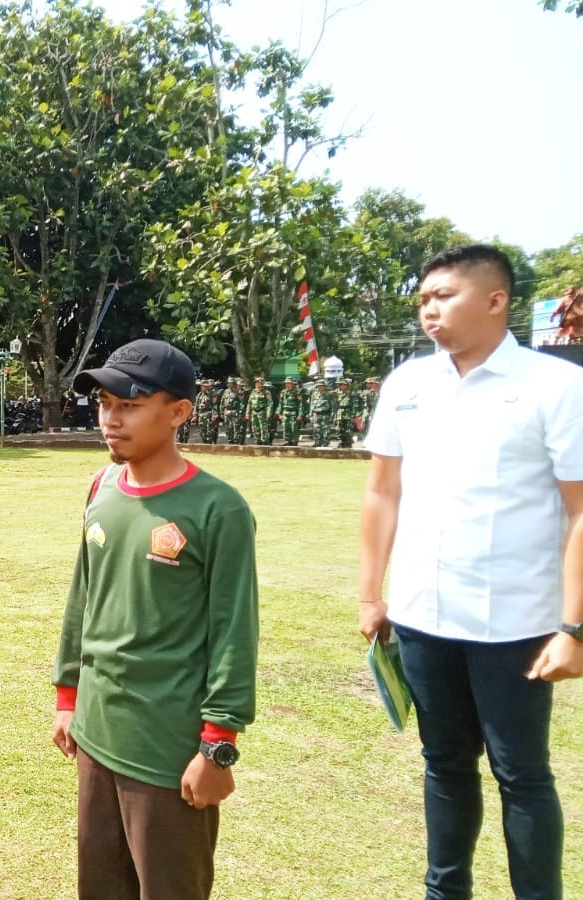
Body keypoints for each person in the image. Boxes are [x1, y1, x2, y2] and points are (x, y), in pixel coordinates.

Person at [359, 244, 583, 900]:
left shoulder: (555, 386)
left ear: (496, 300)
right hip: (424, 614)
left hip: (515, 622)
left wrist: (572, 625)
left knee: (522, 774)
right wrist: (370, 593)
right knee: (445, 765)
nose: (431, 309)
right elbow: (382, 494)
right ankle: (444, 890)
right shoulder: (408, 385)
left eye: (445, 296)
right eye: (424, 299)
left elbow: (579, 511)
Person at [52, 338, 259, 900]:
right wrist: (68, 697)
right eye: (103, 404)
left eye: (130, 404)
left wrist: (218, 746)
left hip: (166, 747)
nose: (111, 419)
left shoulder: (218, 509)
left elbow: (234, 632)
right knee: (100, 885)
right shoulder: (103, 488)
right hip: (97, 730)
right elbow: (83, 598)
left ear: (179, 413)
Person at [246, 376, 273, 445]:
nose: (258, 384)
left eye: (259, 383)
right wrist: (247, 413)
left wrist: (268, 412)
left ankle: (264, 441)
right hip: (254, 412)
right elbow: (249, 403)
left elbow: (269, 403)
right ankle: (257, 441)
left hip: (262, 412)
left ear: (262, 384)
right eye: (256, 383)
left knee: (263, 428)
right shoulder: (253, 392)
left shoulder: (266, 392)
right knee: (255, 427)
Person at [277, 378, 304, 446]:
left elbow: (301, 404)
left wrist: (300, 414)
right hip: (285, 413)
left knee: (294, 428)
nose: (287, 385)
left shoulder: (297, 392)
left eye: (289, 383)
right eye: (286, 383)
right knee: (286, 427)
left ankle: (294, 442)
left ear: (292, 384)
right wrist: (279, 413)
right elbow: (280, 403)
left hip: (293, 413)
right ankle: (288, 441)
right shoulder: (283, 392)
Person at [308, 381, 333, 448]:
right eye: (318, 386)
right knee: (316, 429)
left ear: (324, 387)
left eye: (321, 386)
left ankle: (325, 442)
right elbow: (312, 404)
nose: (320, 387)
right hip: (316, 414)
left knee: (325, 429)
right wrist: (310, 414)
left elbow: (332, 405)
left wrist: (332, 415)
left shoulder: (329, 394)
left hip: (325, 414)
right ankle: (317, 442)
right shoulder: (314, 394)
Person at [221, 377, 245, 445]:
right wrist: (222, 411)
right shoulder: (225, 391)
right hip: (227, 412)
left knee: (236, 428)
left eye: (231, 383)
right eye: (228, 383)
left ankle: (236, 442)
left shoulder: (238, 392)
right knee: (228, 428)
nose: (230, 385)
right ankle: (230, 441)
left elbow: (241, 404)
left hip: (235, 412)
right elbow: (222, 402)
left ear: (234, 384)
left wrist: (240, 413)